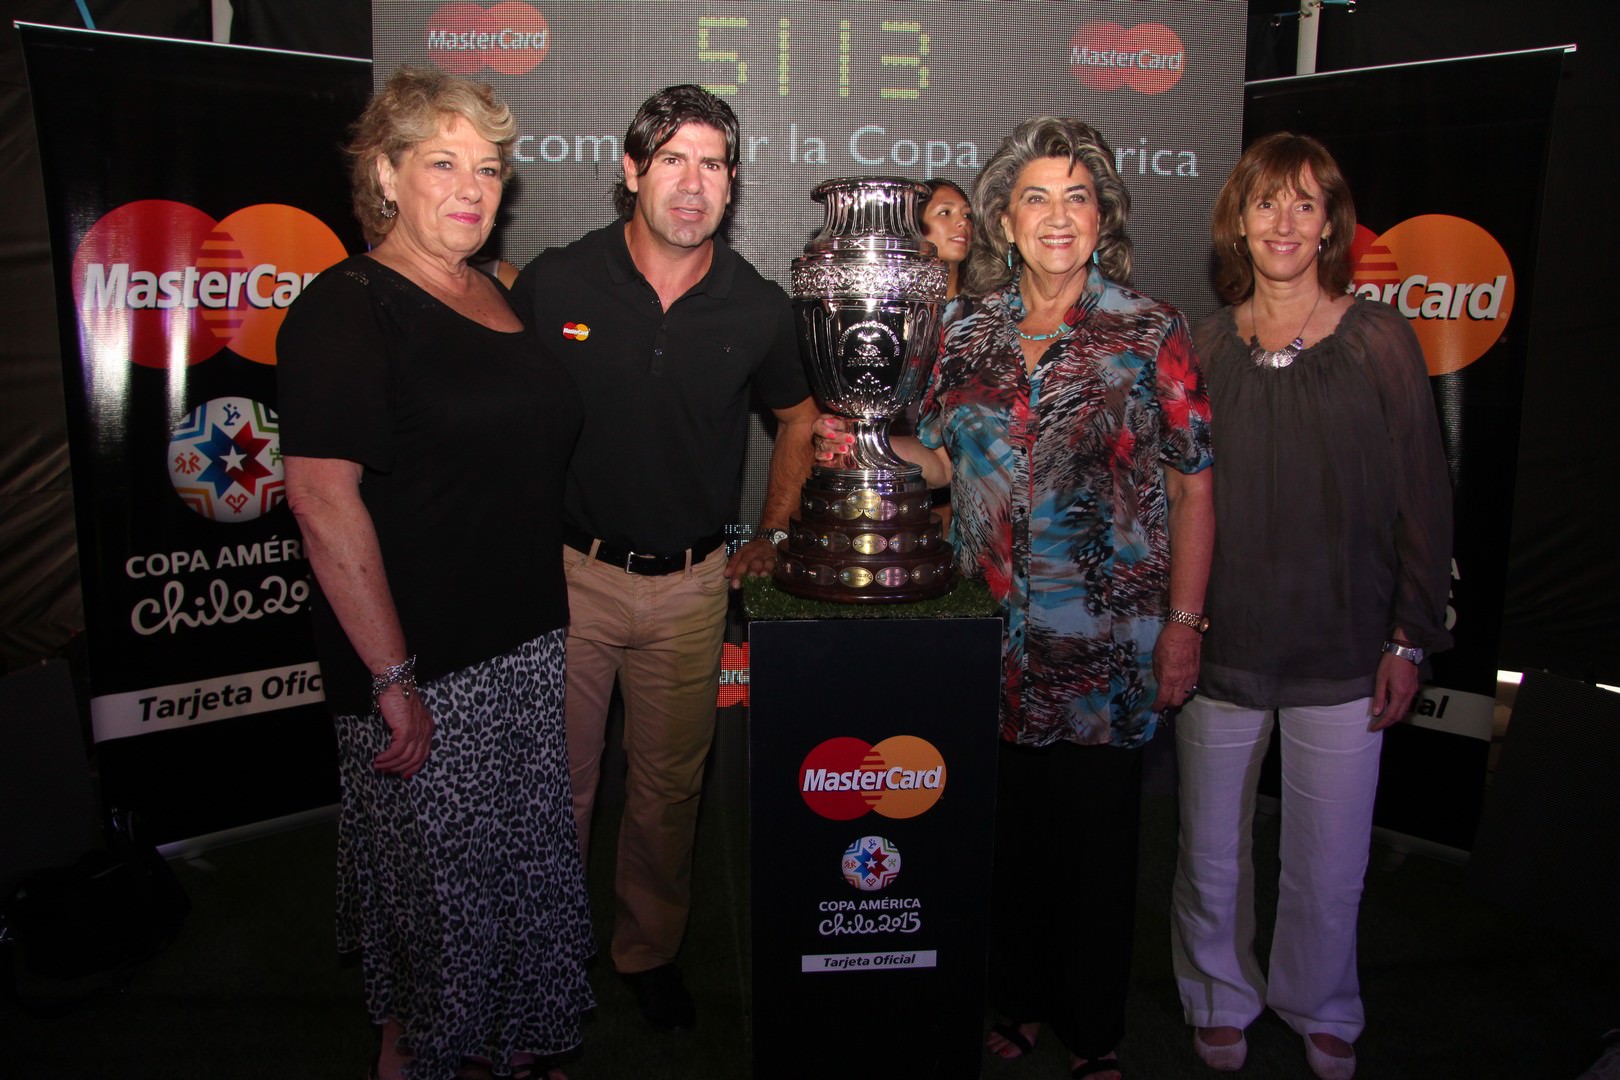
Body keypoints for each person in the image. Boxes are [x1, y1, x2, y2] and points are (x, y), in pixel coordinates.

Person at [819, 116, 1214, 1080]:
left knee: (1096, 849)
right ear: (1003, 217)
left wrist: (1185, 627)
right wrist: (871, 444)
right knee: (1002, 841)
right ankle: (1016, 1000)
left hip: (1106, 646)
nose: (1057, 216)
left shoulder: (1150, 328)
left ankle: (1094, 1032)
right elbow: (949, 460)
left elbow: (1193, 484)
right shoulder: (964, 328)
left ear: (1102, 216)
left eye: (1077, 197)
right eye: (1036, 196)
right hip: (982, 642)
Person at [278, 67, 592, 1080]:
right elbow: (324, 503)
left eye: (490, 168)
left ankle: (515, 1051)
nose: (471, 187)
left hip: (525, 645)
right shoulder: (346, 307)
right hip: (424, 670)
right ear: (386, 173)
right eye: (442, 163)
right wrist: (392, 681)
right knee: (443, 913)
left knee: (522, 879)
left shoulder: (495, 295)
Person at [509, 84, 816, 1031]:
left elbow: (800, 421)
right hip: (570, 580)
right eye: (673, 160)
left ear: (732, 184)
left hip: (690, 591)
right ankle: (546, 952)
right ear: (632, 170)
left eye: (714, 164)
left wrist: (766, 536)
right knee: (558, 783)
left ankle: (646, 951)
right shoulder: (557, 283)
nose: (694, 184)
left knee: (667, 789)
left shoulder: (758, 305)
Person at [1168, 132, 1453, 1080]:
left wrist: (1411, 636)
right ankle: (1219, 995)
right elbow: (1174, 505)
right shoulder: (1201, 346)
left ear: (1329, 221)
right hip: (1224, 642)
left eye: (1303, 204)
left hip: (1344, 644)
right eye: (1265, 203)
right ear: (1237, 223)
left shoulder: (1379, 339)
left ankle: (1320, 1000)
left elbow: (1424, 494)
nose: (1283, 223)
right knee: (1212, 851)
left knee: (1329, 862)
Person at [918, 177, 973, 299]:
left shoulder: (992, 307)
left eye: (966, 215)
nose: (963, 222)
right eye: (945, 213)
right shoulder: (891, 305)